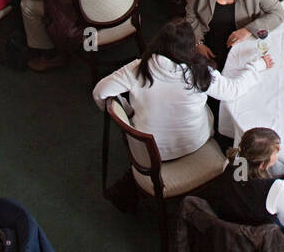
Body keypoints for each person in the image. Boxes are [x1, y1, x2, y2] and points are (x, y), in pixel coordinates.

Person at [92, 20, 272, 162]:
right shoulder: (199, 73)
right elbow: (233, 90)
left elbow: (100, 92)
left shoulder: (137, 68)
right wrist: (257, 66)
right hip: (192, 143)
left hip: (148, 149)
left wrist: (125, 110)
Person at [206, 127, 284, 250]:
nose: (280, 150)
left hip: (233, 219)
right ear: (262, 165)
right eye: (275, 152)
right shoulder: (276, 188)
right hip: (259, 238)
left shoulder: (230, 163)